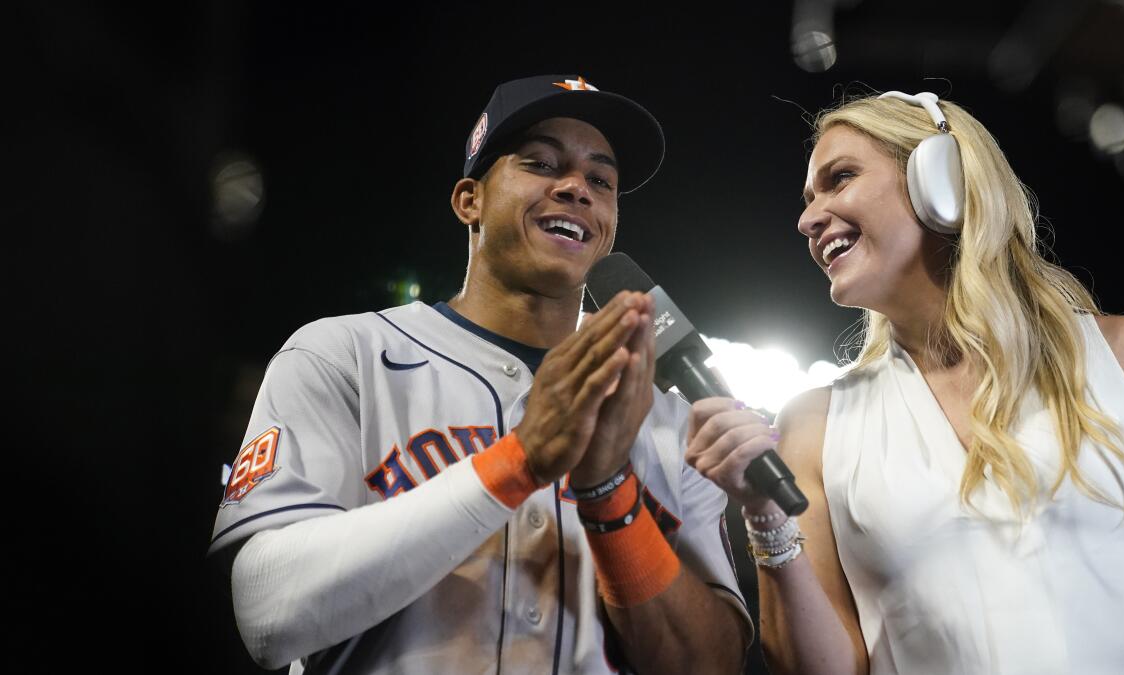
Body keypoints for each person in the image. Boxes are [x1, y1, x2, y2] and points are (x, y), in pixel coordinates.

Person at [208, 74, 752, 674]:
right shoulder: (344, 353)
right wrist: (515, 463)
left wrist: (607, 490)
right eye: (542, 164)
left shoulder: (672, 421)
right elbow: (267, 613)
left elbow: (709, 665)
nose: (576, 189)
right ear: (470, 199)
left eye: (601, 180)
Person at [684, 89, 1124, 674]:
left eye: (840, 178)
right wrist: (765, 519)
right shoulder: (814, 427)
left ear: (941, 179)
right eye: (808, 198)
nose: (806, 218)